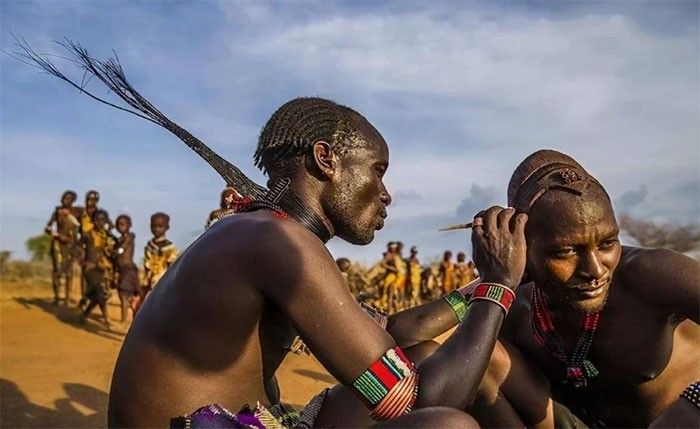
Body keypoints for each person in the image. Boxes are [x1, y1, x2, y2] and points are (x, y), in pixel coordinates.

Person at [108, 97, 528, 428]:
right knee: (446, 426)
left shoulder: (262, 231)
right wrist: (500, 285)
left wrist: (475, 288)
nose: (386, 194)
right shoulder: (279, 242)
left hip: (237, 421)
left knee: (417, 354)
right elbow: (417, 402)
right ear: (325, 159)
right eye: (377, 171)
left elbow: (390, 332)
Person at [471, 150, 700, 428]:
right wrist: (496, 280)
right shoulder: (517, 308)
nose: (595, 270)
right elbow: (411, 337)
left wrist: (692, 406)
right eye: (565, 251)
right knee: (483, 360)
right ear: (524, 246)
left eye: (607, 243)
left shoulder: (651, 275)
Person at [79, 209, 115, 328]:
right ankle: (106, 319)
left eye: (103, 220)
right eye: (97, 220)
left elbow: (112, 250)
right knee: (100, 291)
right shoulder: (87, 234)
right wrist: (83, 261)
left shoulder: (107, 236)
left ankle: (85, 314)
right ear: (93, 221)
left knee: (98, 295)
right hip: (90, 268)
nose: (100, 223)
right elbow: (79, 247)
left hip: (103, 268)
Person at [44, 190, 81, 305]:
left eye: (68, 198)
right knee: (56, 271)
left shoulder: (76, 213)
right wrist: (55, 234)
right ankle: (57, 297)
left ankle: (67, 298)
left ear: (73, 200)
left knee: (69, 272)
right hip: (58, 245)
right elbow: (48, 227)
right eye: (64, 197)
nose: (65, 199)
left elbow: (81, 229)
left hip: (71, 245)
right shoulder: (57, 211)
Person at [141, 212, 178, 300]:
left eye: (160, 226)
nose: (156, 229)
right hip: (149, 283)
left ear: (167, 227)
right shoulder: (149, 246)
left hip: (164, 283)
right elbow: (146, 266)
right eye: (154, 226)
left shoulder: (169, 248)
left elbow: (172, 267)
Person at [113, 215, 140, 325]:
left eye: (123, 224)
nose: (121, 227)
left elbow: (120, 250)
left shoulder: (130, 236)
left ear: (129, 225)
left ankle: (123, 322)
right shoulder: (119, 239)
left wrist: (114, 251)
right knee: (123, 295)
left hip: (128, 269)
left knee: (124, 294)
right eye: (118, 225)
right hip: (121, 270)